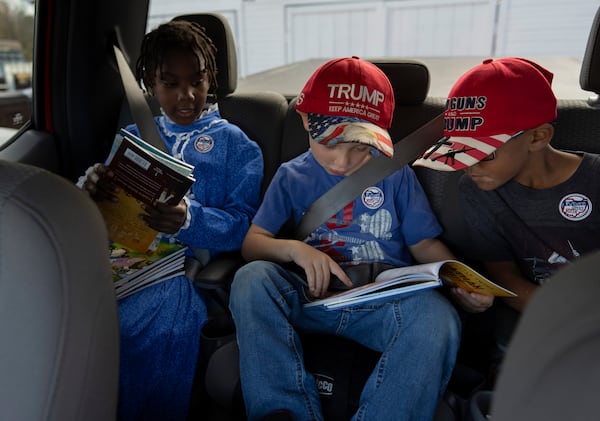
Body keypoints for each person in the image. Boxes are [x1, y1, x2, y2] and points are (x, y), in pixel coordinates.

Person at [228, 56, 493, 421]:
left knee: (437, 317)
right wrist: (295, 250)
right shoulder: (292, 177)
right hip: (310, 297)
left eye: (359, 147)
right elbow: (253, 243)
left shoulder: (395, 175)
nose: (341, 161)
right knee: (251, 280)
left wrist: (458, 278)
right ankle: (284, 412)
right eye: (329, 143)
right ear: (305, 120)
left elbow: (424, 245)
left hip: (381, 307)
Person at [77, 20, 263, 420]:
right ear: (149, 83)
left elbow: (244, 225)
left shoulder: (237, 146)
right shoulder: (133, 135)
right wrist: (91, 190)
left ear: (210, 76)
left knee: (158, 316)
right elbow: (107, 208)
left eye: (197, 80)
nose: (187, 95)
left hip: (180, 273)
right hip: (115, 263)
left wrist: (187, 220)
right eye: (170, 83)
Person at [413, 57, 600, 352]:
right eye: (461, 154)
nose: (470, 168)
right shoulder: (478, 190)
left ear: (538, 137)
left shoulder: (595, 179)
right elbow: (502, 272)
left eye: (484, 154)